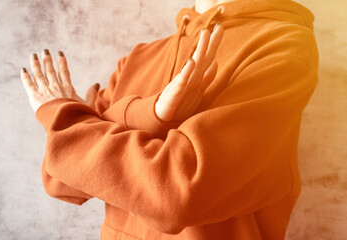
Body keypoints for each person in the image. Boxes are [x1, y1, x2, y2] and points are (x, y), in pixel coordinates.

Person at [20, 0, 319, 239]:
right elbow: (58, 177)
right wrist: (149, 113)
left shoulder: (283, 44)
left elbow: (178, 194)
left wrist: (68, 120)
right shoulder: (138, 57)